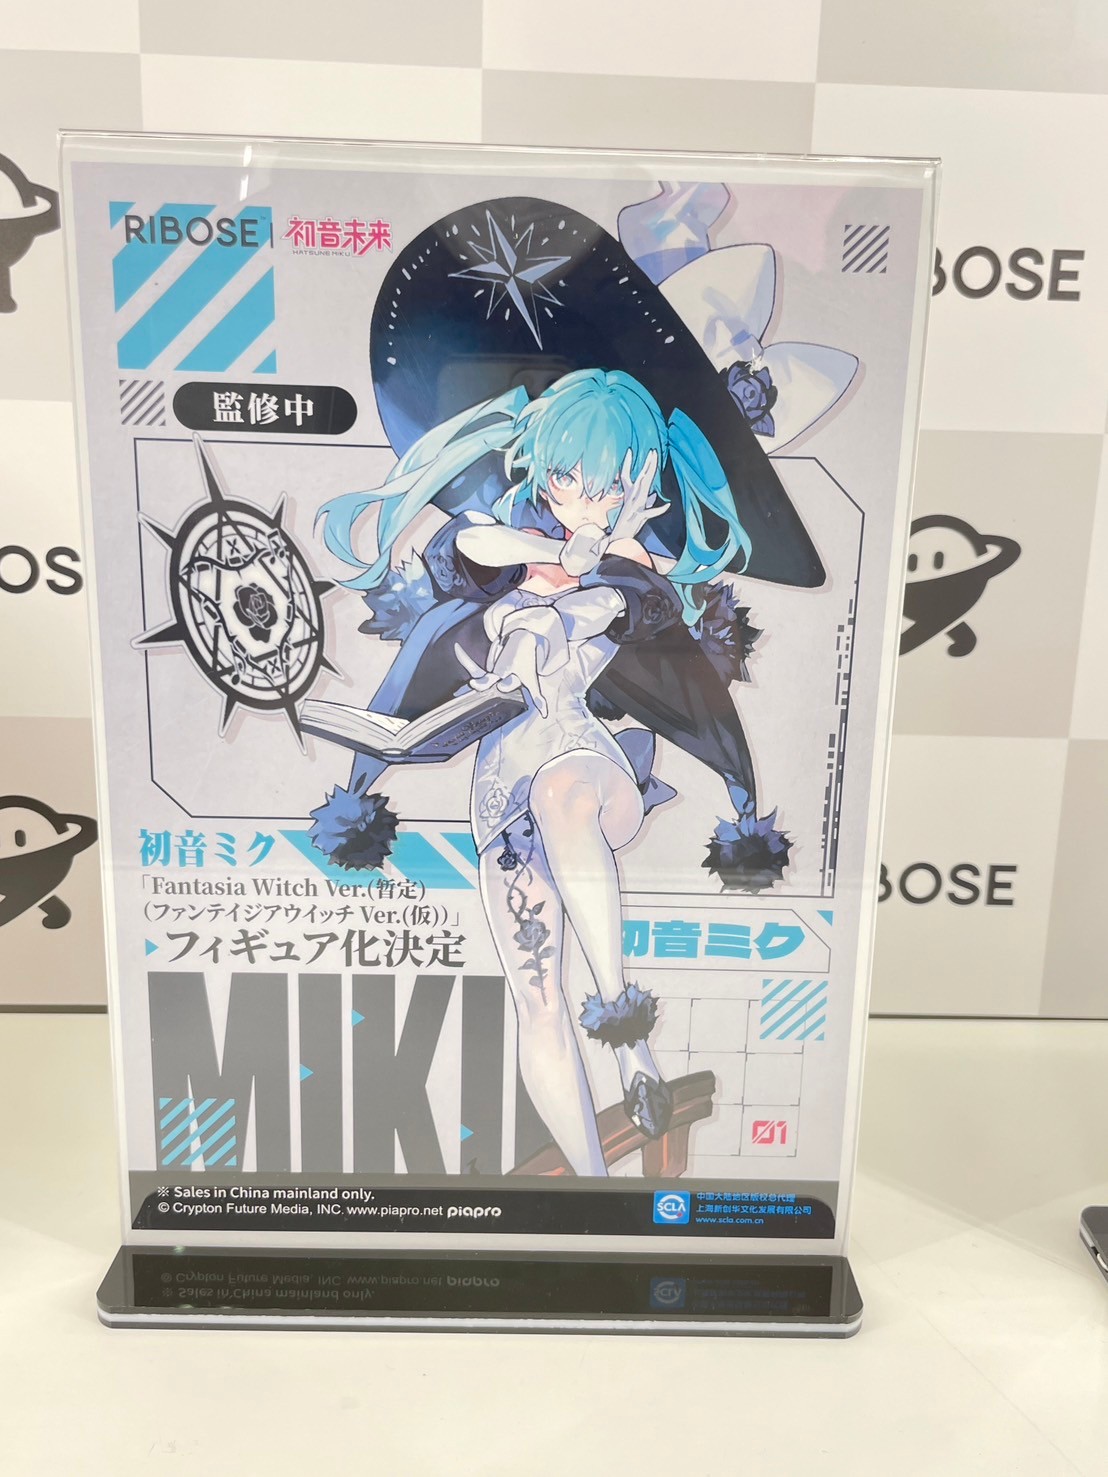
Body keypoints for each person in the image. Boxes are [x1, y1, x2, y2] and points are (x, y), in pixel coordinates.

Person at [312, 368, 788, 1176]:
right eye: (568, 479)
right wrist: (552, 556)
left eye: (606, 486)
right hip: (505, 806)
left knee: (561, 789)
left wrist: (562, 603)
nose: (585, 500)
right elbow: (470, 542)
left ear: (642, 483)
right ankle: (593, 1190)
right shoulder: (506, 548)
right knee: (536, 1002)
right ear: (542, 470)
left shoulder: (633, 566)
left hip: (595, 776)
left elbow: (614, 604)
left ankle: (631, 1046)